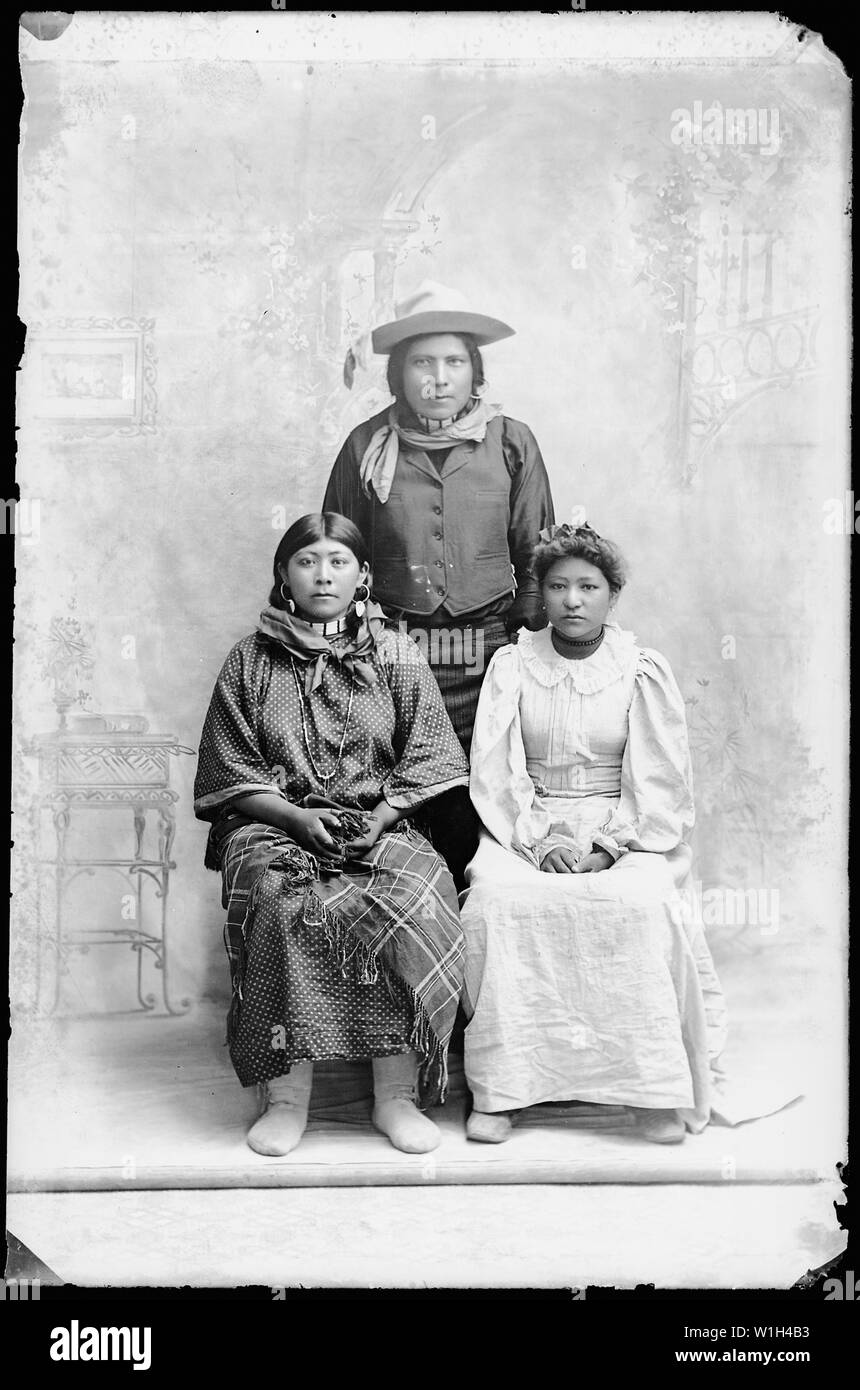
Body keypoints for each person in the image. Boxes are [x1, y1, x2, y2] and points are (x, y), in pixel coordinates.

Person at [194, 512, 469, 1158]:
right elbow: (230, 766)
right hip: (275, 825)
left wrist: (382, 816)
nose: (323, 574)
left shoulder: (396, 654)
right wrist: (295, 818)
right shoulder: (250, 661)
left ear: (363, 576)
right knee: (282, 900)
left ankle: (394, 1096)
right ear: (284, 576)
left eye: (338, 561)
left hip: (378, 820)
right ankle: (287, 1100)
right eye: (307, 561)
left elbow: (429, 752)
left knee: (417, 893)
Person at [460, 522, 729, 1145]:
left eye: (589, 586)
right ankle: (504, 1089)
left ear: (613, 594)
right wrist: (540, 839)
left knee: (636, 904)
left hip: (624, 826)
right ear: (541, 594)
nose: (572, 601)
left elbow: (659, 779)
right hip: (525, 825)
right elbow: (496, 772)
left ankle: (651, 1090)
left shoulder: (640, 669)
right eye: (558, 587)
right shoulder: (513, 664)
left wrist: (609, 845)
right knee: (497, 904)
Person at [322, 281, 555, 886]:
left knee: (483, 788)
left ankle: (479, 935)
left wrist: (517, 640)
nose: (439, 377)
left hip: (489, 651)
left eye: (454, 362)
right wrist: (360, 643)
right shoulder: (364, 447)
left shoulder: (512, 442)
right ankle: (415, 929)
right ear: (398, 374)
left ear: (474, 371)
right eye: (422, 363)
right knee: (403, 792)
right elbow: (336, 554)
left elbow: (536, 553)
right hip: (394, 652)